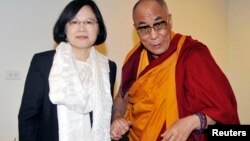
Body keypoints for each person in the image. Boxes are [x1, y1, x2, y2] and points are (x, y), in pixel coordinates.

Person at [110, 0, 240, 141]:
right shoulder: (134, 57)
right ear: (136, 29)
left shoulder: (192, 55)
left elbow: (226, 111)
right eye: (144, 28)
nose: (154, 36)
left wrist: (193, 121)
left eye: (159, 25)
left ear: (170, 20)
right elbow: (121, 98)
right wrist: (117, 117)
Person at [18, 0, 116, 141]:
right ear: (64, 28)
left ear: (99, 28)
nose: (82, 28)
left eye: (89, 22)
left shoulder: (108, 67)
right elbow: (28, 118)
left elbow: (106, 115)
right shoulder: (43, 62)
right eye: (74, 22)